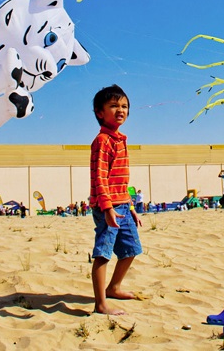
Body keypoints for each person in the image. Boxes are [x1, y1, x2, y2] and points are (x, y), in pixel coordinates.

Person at [89, 84, 142, 315]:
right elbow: (100, 177)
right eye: (113, 106)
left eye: (124, 106)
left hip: (122, 204)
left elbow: (120, 180)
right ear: (100, 112)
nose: (120, 110)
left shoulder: (121, 140)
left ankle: (114, 287)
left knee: (131, 249)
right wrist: (107, 207)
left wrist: (130, 206)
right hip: (107, 206)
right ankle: (100, 304)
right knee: (103, 253)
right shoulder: (103, 140)